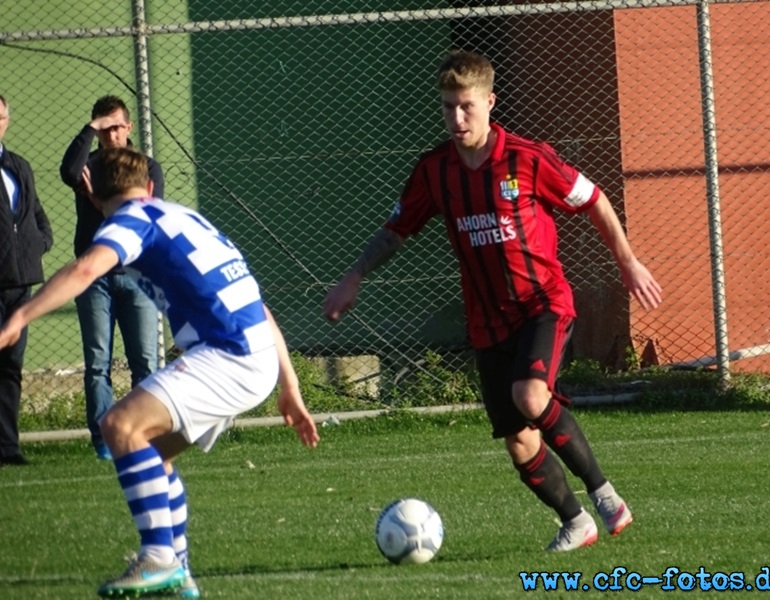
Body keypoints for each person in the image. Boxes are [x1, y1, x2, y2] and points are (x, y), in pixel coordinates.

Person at [323, 51, 662, 552]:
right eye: (447, 108)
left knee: (530, 396)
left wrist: (628, 262)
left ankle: (604, 493)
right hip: (487, 320)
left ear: (489, 102)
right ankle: (576, 522)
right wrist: (353, 276)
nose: (457, 118)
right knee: (519, 439)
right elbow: (398, 230)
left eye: (466, 107)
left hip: (542, 303)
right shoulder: (435, 171)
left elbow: (594, 199)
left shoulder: (527, 159)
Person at [0, 147, 320, 597]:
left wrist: (20, 316)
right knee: (151, 451)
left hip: (226, 357)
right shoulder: (188, 218)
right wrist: (291, 385)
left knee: (118, 424)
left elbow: (87, 268)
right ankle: (180, 570)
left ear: (93, 195)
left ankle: (158, 558)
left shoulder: (131, 220)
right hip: (256, 355)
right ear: (150, 187)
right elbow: (260, 306)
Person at [60, 95, 161, 461]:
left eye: (117, 126)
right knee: (98, 362)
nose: (111, 135)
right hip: (95, 278)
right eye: (104, 128)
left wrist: (96, 199)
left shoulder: (147, 167)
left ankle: (143, 434)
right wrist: (89, 129)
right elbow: (68, 172)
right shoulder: (89, 166)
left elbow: (144, 215)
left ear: (129, 127)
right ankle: (103, 441)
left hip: (137, 276)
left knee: (145, 362)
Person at [0, 94, 53, 467]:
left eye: (0, 116)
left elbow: (34, 213)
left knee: (11, 368)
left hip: (21, 284)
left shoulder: (18, 165)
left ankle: (8, 447)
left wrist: (39, 243)